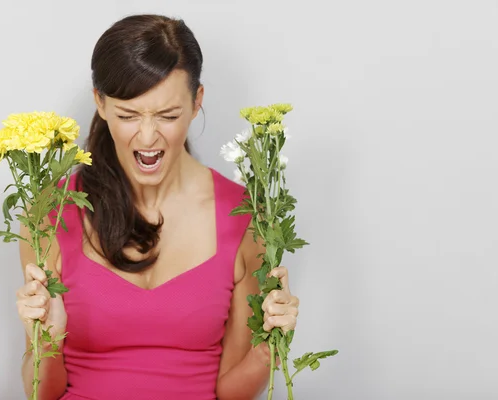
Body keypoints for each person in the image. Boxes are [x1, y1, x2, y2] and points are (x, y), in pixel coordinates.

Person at [15, 13, 300, 400]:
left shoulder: (246, 219)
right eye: (128, 115)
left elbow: (233, 391)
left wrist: (269, 348)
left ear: (197, 102)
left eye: (168, 116)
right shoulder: (49, 216)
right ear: (100, 102)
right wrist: (45, 341)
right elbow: (43, 392)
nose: (148, 137)